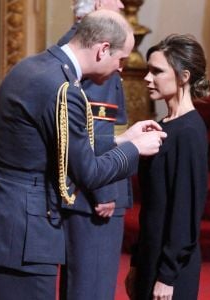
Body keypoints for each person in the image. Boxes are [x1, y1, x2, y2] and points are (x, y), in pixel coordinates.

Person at [0, 9, 167, 300]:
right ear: (102, 49)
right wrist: (135, 150)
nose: (121, 69)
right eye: (120, 60)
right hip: (26, 235)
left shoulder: (29, 67)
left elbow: (57, 147)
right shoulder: (64, 89)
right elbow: (89, 173)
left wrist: (123, 140)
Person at [125, 34, 210, 300]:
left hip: (171, 271)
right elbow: (152, 207)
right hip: (152, 257)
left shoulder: (189, 132)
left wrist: (167, 275)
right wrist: (138, 261)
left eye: (156, 71)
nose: (147, 78)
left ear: (183, 76)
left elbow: (185, 212)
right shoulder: (164, 126)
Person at [57, 1, 133, 299]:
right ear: (100, 3)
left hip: (83, 191)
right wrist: (106, 191)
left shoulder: (73, 44)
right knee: (92, 286)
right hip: (96, 196)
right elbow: (97, 127)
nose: (122, 4)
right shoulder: (100, 52)